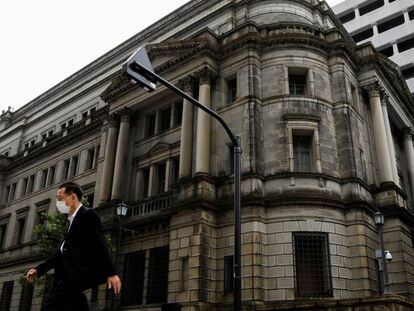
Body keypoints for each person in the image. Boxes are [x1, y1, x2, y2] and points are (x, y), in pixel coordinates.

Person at [26, 182, 121, 311]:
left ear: (73, 197)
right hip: (69, 281)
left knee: (49, 307)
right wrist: (38, 270)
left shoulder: (88, 214)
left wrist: (111, 272)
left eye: (60, 198)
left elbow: (99, 243)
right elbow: (60, 254)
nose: (57, 202)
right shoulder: (70, 221)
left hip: (72, 278)